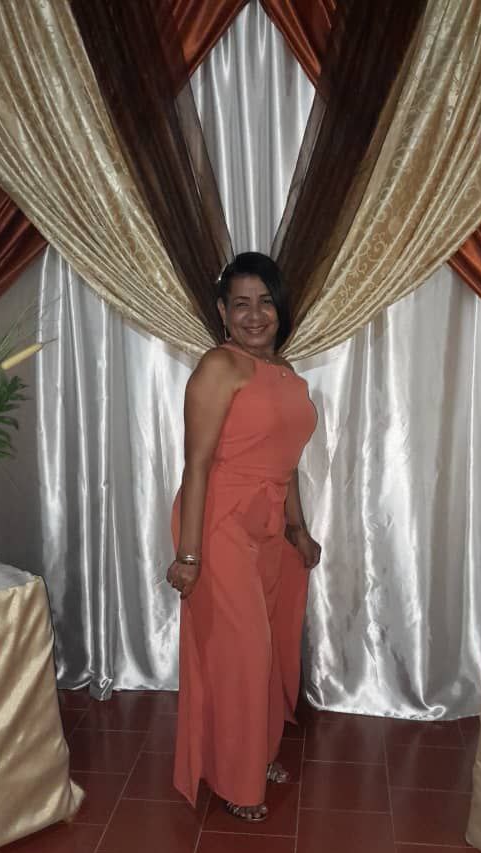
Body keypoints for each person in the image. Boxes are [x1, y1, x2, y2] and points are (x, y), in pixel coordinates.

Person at [167, 252, 320, 822]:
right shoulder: (219, 367)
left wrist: (298, 529)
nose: (255, 315)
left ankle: (258, 752)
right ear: (222, 312)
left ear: (280, 308)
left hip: (269, 522)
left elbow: (288, 463)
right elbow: (197, 465)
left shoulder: (287, 373)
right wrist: (188, 553)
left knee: (271, 644)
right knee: (243, 652)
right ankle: (235, 778)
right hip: (219, 520)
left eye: (265, 302)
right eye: (241, 304)